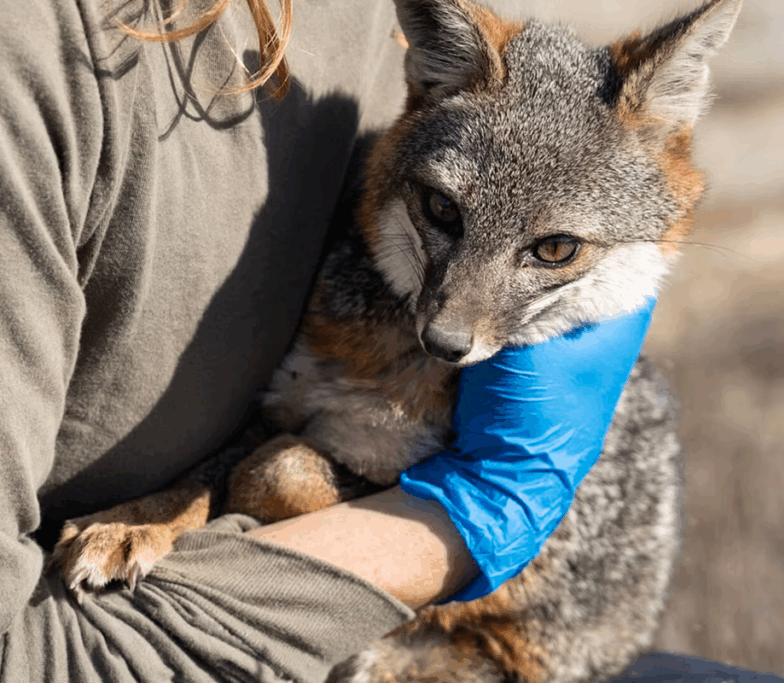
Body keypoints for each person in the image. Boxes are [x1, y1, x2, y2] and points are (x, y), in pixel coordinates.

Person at [0, 0, 653, 680]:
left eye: (554, 247)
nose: (450, 326)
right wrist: (460, 525)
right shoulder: (33, 51)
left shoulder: (365, 20)